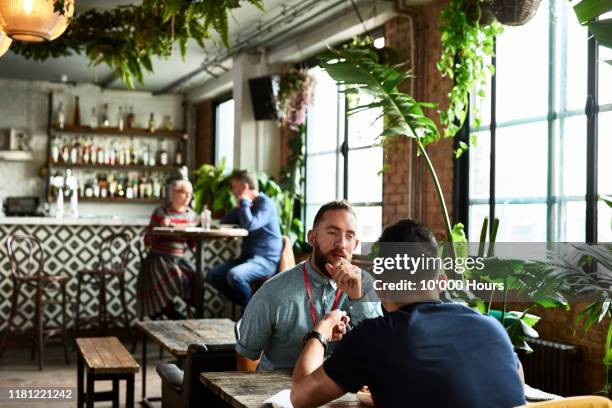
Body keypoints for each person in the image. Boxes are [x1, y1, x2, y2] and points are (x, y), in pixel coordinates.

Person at [291, 219, 526, 408]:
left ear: (381, 288)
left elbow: (301, 397)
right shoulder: (493, 327)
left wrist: (320, 332)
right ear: (441, 282)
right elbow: (516, 384)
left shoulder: (374, 337)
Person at [235, 200, 382, 371]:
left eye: (349, 236)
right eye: (333, 232)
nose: (342, 243)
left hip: (343, 391)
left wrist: (357, 299)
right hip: (282, 392)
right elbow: (246, 356)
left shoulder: (366, 285)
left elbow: (378, 348)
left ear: (355, 245)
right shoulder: (273, 292)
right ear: (312, 237)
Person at [206, 170, 283, 306]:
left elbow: (250, 224)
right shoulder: (246, 206)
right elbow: (224, 222)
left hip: (266, 260)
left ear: (245, 187)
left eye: (235, 186)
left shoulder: (265, 203)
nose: (233, 190)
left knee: (235, 275)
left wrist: (245, 203)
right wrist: (239, 207)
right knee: (213, 275)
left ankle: (251, 314)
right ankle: (249, 307)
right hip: (247, 258)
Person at [137, 179, 197, 320]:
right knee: (173, 273)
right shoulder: (161, 212)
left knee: (196, 276)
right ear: (173, 193)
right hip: (158, 258)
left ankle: (186, 315)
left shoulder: (191, 215)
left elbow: (193, 245)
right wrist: (161, 228)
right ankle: (168, 310)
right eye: (184, 193)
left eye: (190, 194)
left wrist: (195, 229)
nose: (188, 197)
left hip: (178, 259)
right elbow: (147, 241)